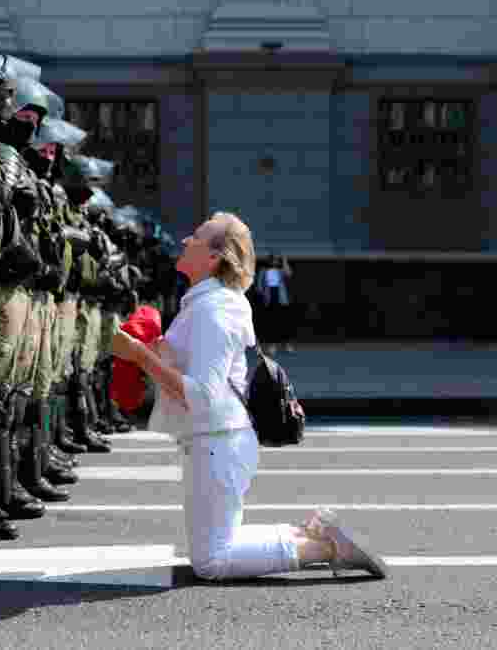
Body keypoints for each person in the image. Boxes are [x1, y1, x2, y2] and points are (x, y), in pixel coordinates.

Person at [110, 212, 386, 582]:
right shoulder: (205, 303)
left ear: (213, 257)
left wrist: (139, 356)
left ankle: (326, 548)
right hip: (212, 441)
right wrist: (154, 348)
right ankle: (307, 535)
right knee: (212, 550)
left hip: (218, 441)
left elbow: (201, 395)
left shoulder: (214, 309)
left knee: (213, 563)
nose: (185, 241)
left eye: (196, 237)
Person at [256, 253, 293, 354]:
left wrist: (284, 261)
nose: (274, 261)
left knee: (284, 322)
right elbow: (259, 287)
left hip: (281, 298)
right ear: (269, 261)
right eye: (273, 260)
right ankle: (272, 346)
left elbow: (289, 273)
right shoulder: (263, 271)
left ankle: (287, 344)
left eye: (276, 260)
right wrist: (263, 296)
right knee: (271, 323)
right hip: (269, 298)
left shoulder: (280, 271)